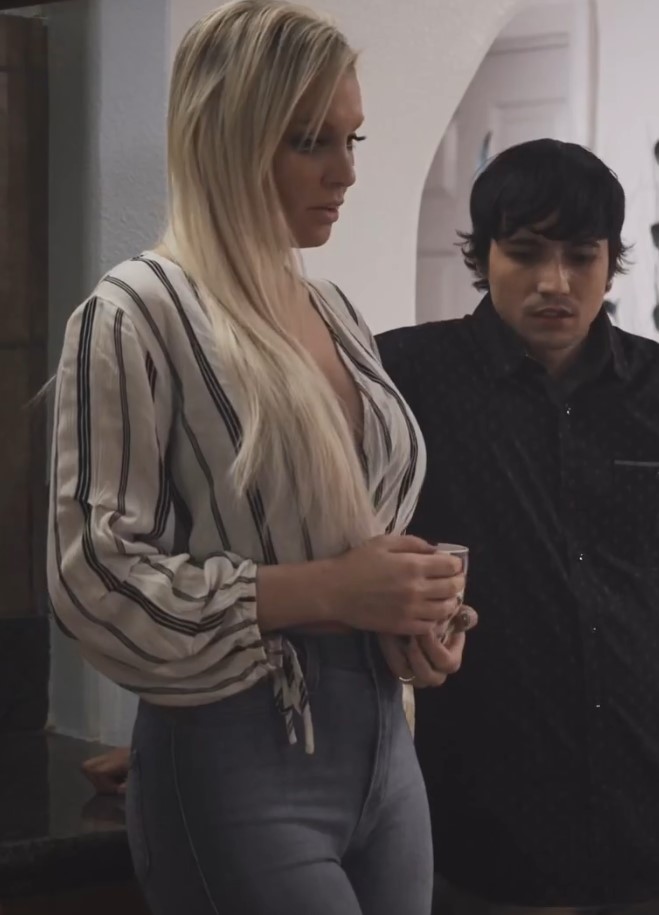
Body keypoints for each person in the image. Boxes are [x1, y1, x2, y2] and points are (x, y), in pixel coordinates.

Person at [47, 3, 480, 914]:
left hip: (385, 751)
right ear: (228, 137)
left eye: (352, 138)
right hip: (237, 760)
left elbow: (353, 535)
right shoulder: (134, 311)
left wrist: (406, 617)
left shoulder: (334, 312)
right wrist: (329, 591)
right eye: (310, 141)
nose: (345, 171)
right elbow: (96, 576)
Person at [377, 139, 659, 915]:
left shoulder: (653, 388)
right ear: (482, 255)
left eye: (581, 255)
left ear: (610, 262)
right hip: (481, 826)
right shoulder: (403, 376)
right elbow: (308, 541)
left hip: (643, 815)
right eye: (526, 252)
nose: (554, 282)